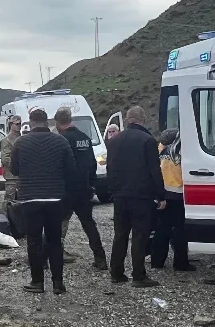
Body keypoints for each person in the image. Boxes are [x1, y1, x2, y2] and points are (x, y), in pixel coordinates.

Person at [11, 107, 77, 294]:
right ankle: (58, 283)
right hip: (55, 198)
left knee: (33, 241)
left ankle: (37, 282)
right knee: (54, 241)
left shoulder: (20, 143)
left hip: (30, 199)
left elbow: (15, 170)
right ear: (47, 122)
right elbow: (71, 169)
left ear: (30, 122)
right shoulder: (61, 141)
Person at [106, 106, 165, 288]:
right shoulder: (147, 140)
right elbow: (154, 171)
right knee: (140, 235)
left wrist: (113, 190)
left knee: (120, 234)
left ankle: (116, 272)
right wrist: (161, 196)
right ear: (143, 119)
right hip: (141, 196)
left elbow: (110, 169)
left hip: (120, 195)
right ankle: (138, 275)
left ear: (127, 119)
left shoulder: (114, 141)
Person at [55, 106, 108, 270]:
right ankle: (100, 259)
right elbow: (92, 164)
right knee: (88, 224)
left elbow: (60, 165)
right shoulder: (84, 137)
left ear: (58, 122)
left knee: (59, 223)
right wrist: (91, 184)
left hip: (67, 190)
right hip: (84, 189)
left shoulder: (62, 139)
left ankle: (52, 256)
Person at [151, 128, 194, 271]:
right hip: (177, 195)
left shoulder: (159, 151)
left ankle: (157, 261)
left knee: (162, 229)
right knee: (179, 230)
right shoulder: (179, 153)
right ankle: (181, 263)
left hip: (163, 195)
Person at [0, 115, 22, 206]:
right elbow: (5, 158)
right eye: (17, 124)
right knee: (9, 199)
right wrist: (17, 167)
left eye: (20, 124)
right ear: (11, 125)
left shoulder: (23, 139)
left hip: (22, 176)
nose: (19, 126)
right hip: (11, 176)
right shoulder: (6, 140)